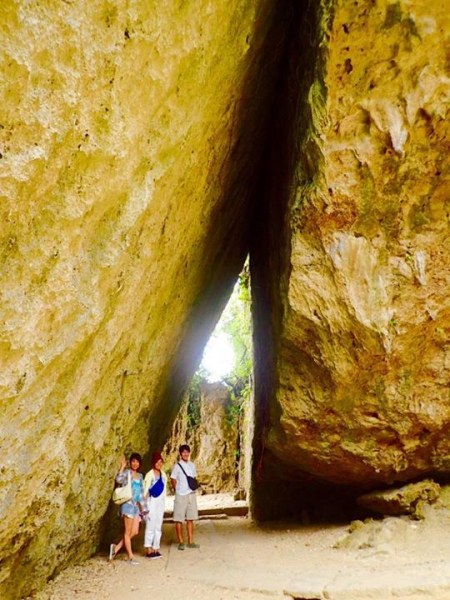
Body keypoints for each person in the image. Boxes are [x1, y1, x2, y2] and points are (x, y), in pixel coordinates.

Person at [109, 453, 145, 565]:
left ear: (139, 463)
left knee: (135, 531)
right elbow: (118, 480)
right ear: (130, 462)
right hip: (127, 505)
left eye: (137, 461)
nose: (135, 463)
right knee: (127, 532)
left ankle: (115, 549)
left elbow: (141, 492)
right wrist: (122, 467)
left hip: (136, 507)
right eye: (133, 461)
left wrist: (142, 508)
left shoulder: (140, 476)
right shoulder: (127, 473)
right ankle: (130, 556)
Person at [170, 444, 200, 550]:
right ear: (180, 454)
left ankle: (190, 541)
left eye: (187, 452)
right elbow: (173, 479)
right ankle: (181, 542)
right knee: (179, 519)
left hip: (191, 494)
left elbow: (194, 477)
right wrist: (176, 490)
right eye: (183, 452)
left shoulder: (192, 465)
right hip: (181, 495)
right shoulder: (177, 466)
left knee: (190, 518)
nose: (186, 454)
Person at [143, 452, 167, 559]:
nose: (159, 464)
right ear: (154, 463)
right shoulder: (149, 474)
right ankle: (148, 549)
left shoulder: (163, 475)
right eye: (157, 462)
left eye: (161, 462)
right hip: (151, 502)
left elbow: (164, 489)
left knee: (158, 525)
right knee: (150, 525)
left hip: (160, 503)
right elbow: (146, 489)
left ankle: (156, 547)